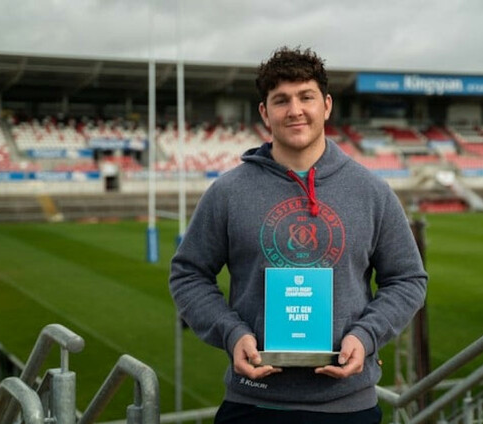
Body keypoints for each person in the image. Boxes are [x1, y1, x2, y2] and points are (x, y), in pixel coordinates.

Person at [169, 46, 428, 424]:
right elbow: (188, 274)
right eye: (281, 100)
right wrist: (231, 333)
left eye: (306, 97)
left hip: (348, 406)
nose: (295, 110)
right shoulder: (228, 192)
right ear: (264, 112)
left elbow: (408, 279)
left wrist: (366, 336)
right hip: (253, 403)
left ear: (326, 105)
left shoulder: (371, 191)